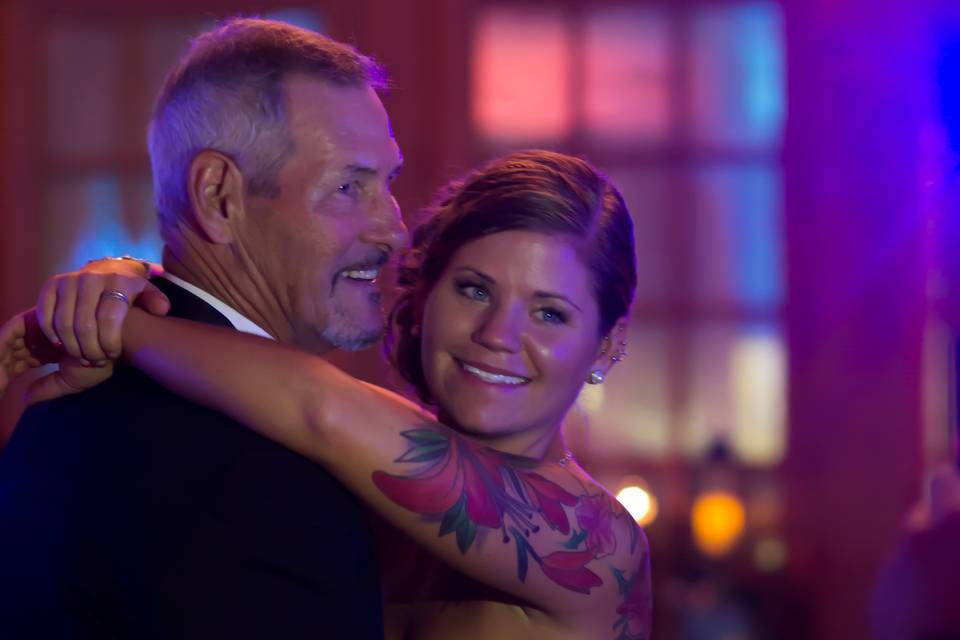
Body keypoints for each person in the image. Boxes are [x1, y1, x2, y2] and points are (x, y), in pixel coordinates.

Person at [2, 150, 652, 639]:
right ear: (423, 296)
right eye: (475, 290)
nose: (498, 335)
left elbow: (321, 406)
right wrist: (122, 288)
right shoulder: (330, 472)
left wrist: (115, 321)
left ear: (607, 346)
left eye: (550, 314)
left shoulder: (595, 543)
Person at [0, 17, 406, 639]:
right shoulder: (266, 481)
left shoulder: (65, 405)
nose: (392, 229)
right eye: (349, 187)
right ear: (219, 196)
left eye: (389, 183)